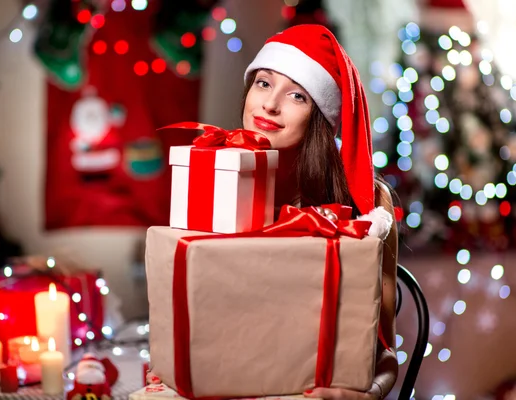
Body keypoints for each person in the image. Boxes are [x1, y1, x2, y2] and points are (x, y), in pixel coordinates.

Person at [149, 24, 399, 400]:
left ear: (321, 116)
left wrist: (364, 394)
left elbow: (381, 349)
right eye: (264, 83)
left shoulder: (367, 205)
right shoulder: (212, 179)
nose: (270, 104)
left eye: (297, 95)